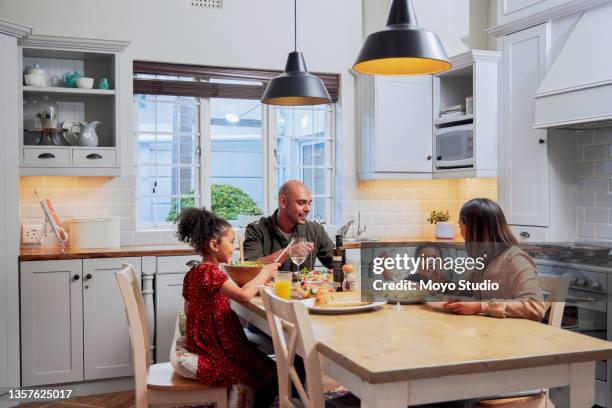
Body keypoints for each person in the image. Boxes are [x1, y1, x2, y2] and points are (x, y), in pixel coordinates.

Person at [175, 207, 279, 407]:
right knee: (271, 373)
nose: (234, 247)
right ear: (214, 244)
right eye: (231, 242)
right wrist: (264, 272)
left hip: (204, 342)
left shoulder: (195, 271)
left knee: (262, 363)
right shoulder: (212, 273)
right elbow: (243, 296)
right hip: (217, 347)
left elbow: (188, 309)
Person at [442, 198, 546, 321]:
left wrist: (480, 306)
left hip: (515, 335)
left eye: (461, 227)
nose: (461, 234)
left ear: (475, 230)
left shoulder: (515, 259)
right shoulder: (485, 258)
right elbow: (464, 290)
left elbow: (535, 306)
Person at [243, 180, 334, 271]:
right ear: (283, 202)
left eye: (309, 203)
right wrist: (288, 252)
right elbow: (249, 267)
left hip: (307, 285)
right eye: (301, 203)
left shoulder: (315, 230)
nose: (307, 209)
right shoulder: (256, 230)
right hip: (271, 285)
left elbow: (336, 262)